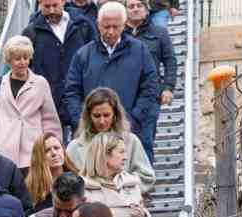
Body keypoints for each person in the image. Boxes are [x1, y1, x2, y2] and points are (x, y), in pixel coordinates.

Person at [63, 2, 160, 161]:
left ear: (124, 25)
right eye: (106, 27)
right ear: (98, 25)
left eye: (116, 27)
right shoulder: (83, 55)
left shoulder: (139, 50)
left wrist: (133, 118)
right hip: (92, 136)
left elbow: (150, 87)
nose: (110, 32)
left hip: (130, 132)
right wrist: (82, 121)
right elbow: (72, 91)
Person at [0, 36, 62, 172]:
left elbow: (50, 119)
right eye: (17, 58)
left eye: (26, 57)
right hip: (4, 149)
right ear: (9, 60)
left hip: (32, 151)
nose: (22, 62)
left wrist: (54, 146)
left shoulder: (40, 83)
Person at [22, 0, 96, 139]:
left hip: (80, 99)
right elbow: (23, 65)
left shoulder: (83, 25)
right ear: (39, 5)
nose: (51, 10)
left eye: (55, 5)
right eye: (46, 7)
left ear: (63, 2)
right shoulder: (31, 32)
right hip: (47, 103)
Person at [65, 88, 155, 191]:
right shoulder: (75, 147)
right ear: (88, 116)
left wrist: (121, 183)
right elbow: (68, 183)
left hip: (124, 202)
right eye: (97, 116)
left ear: (115, 115)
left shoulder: (131, 141)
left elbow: (147, 177)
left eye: (106, 115)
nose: (102, 121)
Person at [81, 132, 149, 217]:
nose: (126, 158)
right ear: (105, 154)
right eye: (121, 152)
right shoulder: (84, 188)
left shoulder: (132, 184)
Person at [127, 0, 177, 113]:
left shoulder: (160, 33)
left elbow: (170, 61)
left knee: (148, 130)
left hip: (151, 94)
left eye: (139, 6)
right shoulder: (118, 36)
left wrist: (168, 88)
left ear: (146, 10)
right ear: (125, 12)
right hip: (124, 96)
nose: (135, 9)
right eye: (131, 7)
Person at [27, 133, 81, 212]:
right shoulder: (32, 189)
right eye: (47, 150)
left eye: (56, 148)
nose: (54, 153)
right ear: (39, 157)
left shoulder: (78, 180)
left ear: (63, 150)